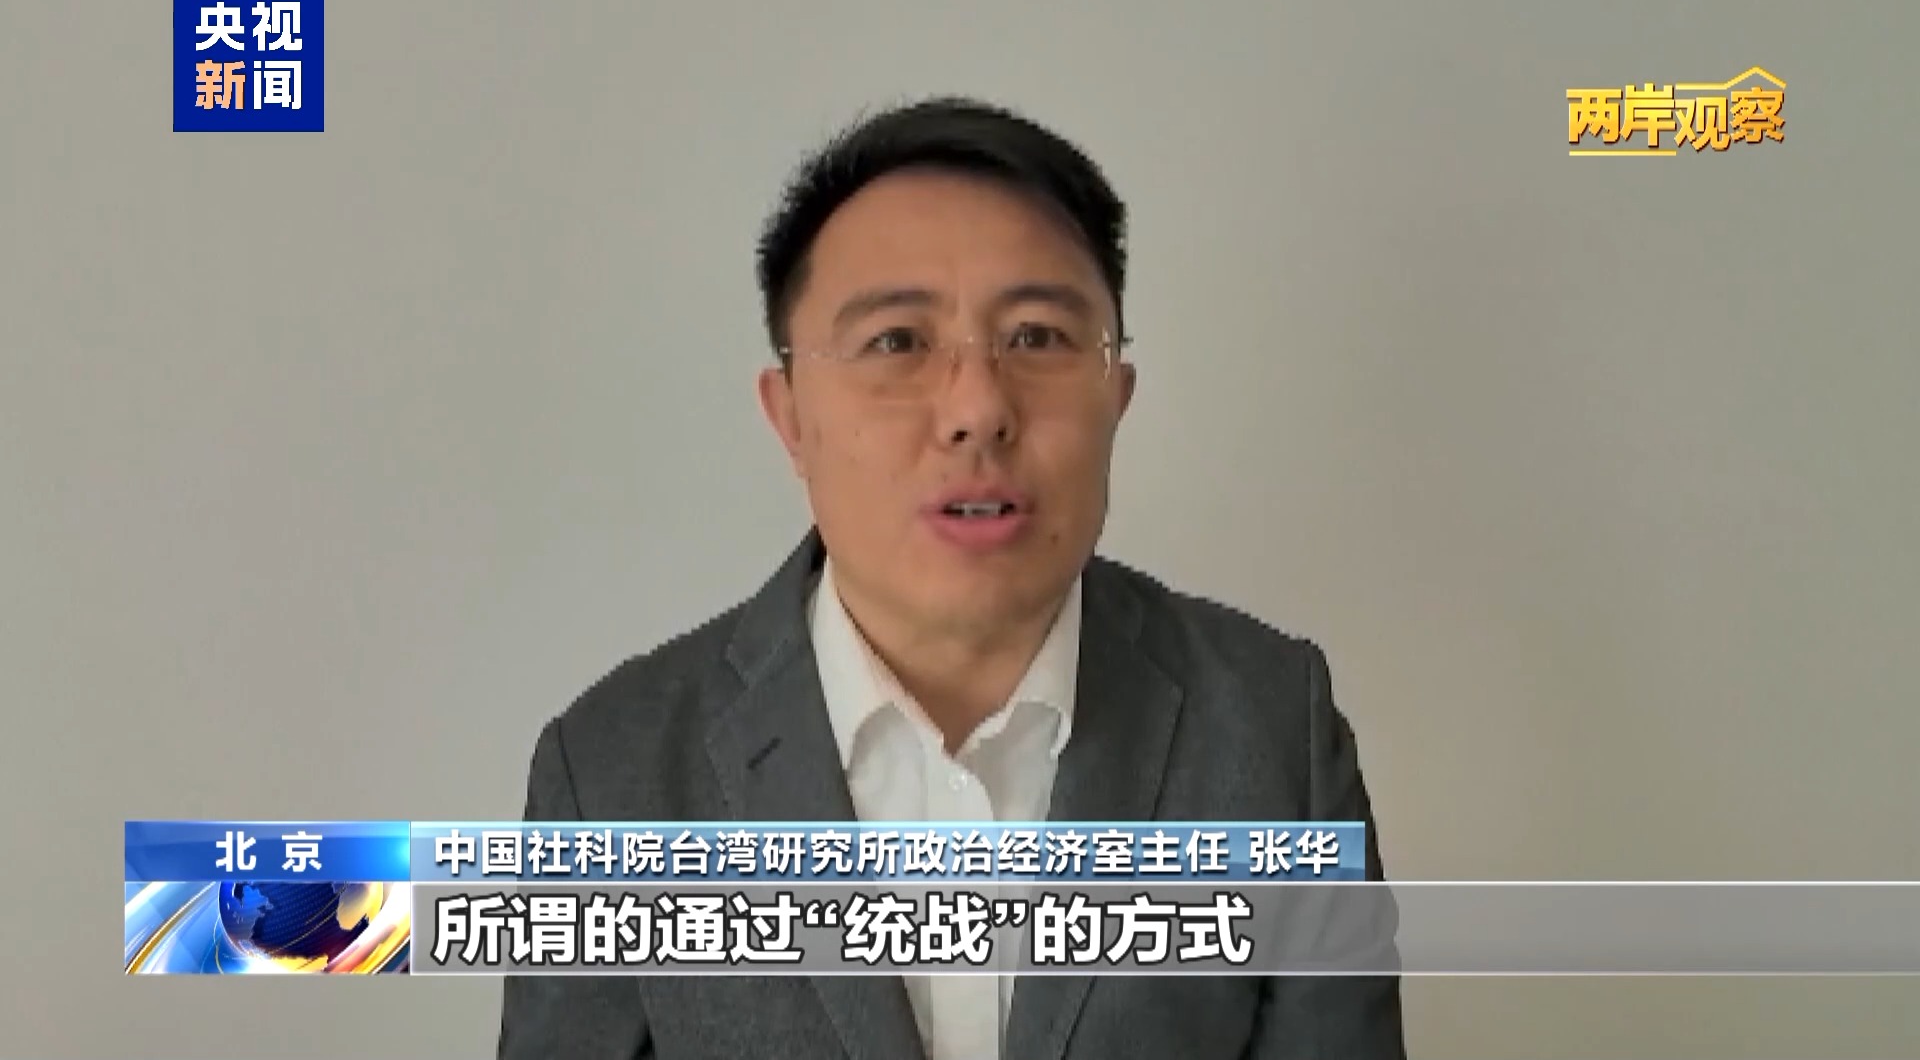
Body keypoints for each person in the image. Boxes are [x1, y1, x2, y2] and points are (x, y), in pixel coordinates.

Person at [498, 96, 1404, 1060]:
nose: (977, 407)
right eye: (898, 342)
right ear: (790, 415)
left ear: (1116, 397)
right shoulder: (614, 773)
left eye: (1038, 337)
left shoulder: (1272, 728)